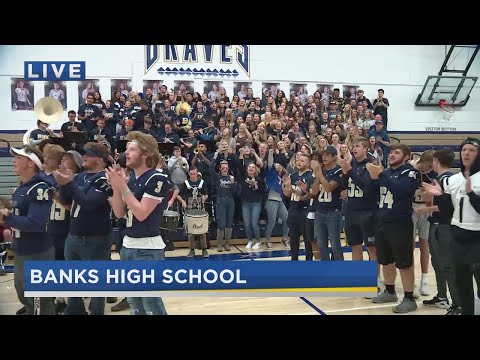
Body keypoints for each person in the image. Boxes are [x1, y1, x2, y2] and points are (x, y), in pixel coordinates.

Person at [108, 131, 171, 315]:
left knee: (152, 306)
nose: (126, 153)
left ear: (145, 154)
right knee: (136, 306)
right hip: (128, 246)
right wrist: (116, 187)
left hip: (148, 250)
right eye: (127, 149)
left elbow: (142, 213)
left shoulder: (157, 178)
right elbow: (119, 213)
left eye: (132, 149)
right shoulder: (133, 180)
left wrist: (123, 187)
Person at [423, 138, 480, 315]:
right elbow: (448, 212)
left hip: (477, 235)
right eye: (464, 150)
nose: (467, 153)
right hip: (458, 233)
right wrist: (440, 196)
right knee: (461, 280)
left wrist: (470, 193)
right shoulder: (452, 180)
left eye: (471, 150)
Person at [56, 142, 113, 315]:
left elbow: (89, 203)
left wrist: (70, 183)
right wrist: (64, 182)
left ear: (99, 160)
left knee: (95, 279)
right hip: (73, 234)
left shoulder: (105, 179)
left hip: (96, 238)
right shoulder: (80, 177)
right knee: (72, 277)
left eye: (88, 154)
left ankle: (96, 311)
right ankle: (75, 309)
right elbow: (65, 200)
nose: (85, 156)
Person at [1, 146, 55, 315]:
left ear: (31, 163)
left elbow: (36, 224)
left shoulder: (40, 188)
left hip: (37, 252)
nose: (13, 161)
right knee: (25, 296)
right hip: (22, 250)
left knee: (40, 303)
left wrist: (7, 219)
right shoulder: (21, 188)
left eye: (18, 158)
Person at [367, 144, 418, 313]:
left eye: (397, 152)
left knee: (404, 262)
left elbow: (401, 190)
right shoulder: (386, 173)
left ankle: (409, 298)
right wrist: (373, 179)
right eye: (391, 152)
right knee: (385, 259)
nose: (392, 155)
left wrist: (381, 174)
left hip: (400, 222)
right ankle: (390, 291)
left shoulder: (410, 172)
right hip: (382, 221)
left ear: (406, 157)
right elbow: (370, 194)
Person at [417, 148, 461, 314]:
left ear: (436, 160)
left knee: (448, 266)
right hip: (436, 225)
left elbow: (448, 207)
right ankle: (442, 296)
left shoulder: (448, 179)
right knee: (437, 263)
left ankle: (458, 304)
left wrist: (426, 209)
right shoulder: (439, 179)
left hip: (445, 227)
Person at [282, 152, 314, 261]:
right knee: (293, 238)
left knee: (307, 239)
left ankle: (308, 261)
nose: (299, 162)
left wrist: (295, 190)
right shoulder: (293, 175)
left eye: (302, 161)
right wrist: (286, 185)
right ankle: (294, 260)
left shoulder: (310, 177)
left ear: (308, 164)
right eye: (298, 160)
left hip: (305, 210)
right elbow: (287, 194)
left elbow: (309, 196)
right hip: (293, 209)